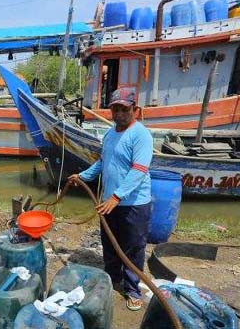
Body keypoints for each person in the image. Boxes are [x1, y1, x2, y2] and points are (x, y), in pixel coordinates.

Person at [68, 87, 153, 311]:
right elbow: (102, 163)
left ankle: (133, 289)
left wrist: (117, 196)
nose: (118, 113)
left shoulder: (141, 135)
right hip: (109, 202)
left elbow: (139, 170)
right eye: (115, 108)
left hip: (133, 204)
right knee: (109, 244)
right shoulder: (110, 134)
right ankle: (112, 279)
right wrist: (83, 176)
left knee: (133, 248)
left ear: (134, 110)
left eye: (124, 109)